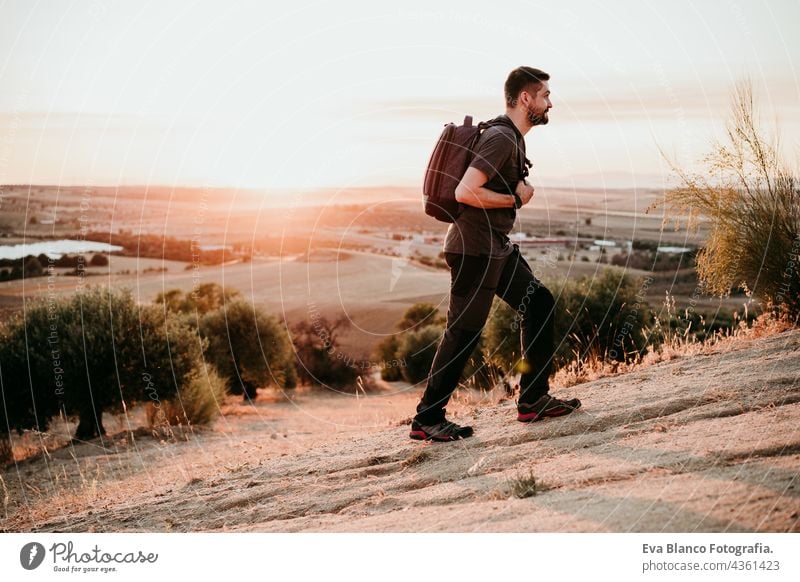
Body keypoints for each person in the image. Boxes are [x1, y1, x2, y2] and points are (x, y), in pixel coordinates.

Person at [409, 66, 581, 442]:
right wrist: (514, 196)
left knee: (539, 304)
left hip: (496, 249)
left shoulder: (513, 138)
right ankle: (427, 418)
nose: (550, 102)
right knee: (464, 332)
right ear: (525, 99)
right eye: (545, 95)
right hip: (474, 250)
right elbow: (465, 192)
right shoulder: (503, 137)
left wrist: (513, 189)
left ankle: (533, 399)